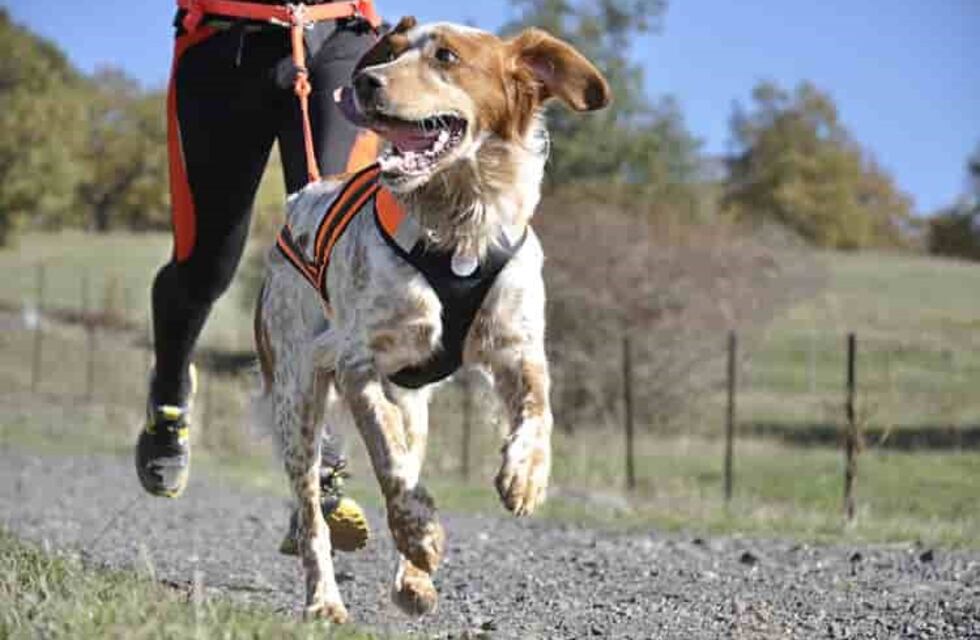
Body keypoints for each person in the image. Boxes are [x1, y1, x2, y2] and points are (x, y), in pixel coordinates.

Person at [135, 0, 378, 551]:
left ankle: (317, 473)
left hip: (339, 38)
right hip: (225, 42)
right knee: (205, 263)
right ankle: (169, 391)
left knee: (331, 256)